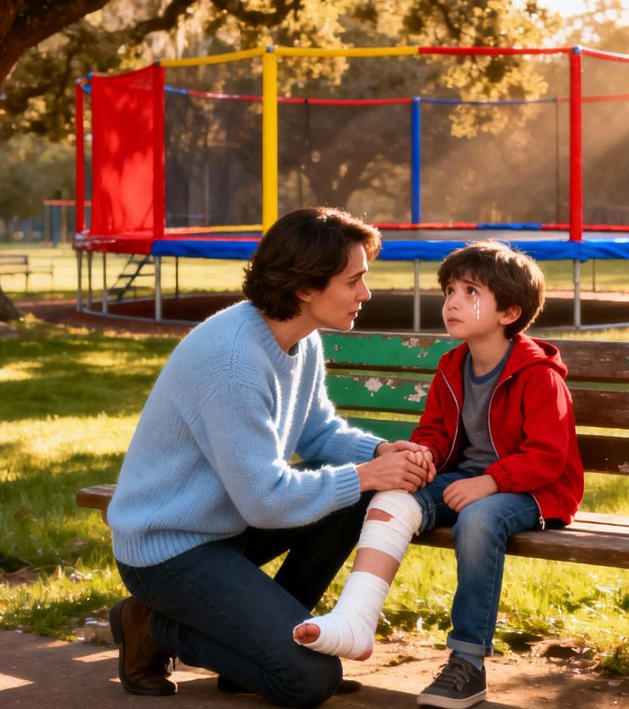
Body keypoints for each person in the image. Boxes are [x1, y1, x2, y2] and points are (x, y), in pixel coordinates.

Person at [106, 206, 435, 706]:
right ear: (305, 288)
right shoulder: (235, 360)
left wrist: (379, 452)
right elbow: (265, 501)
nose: (365, 294)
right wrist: (368, 473)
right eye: (354, 281)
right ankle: (153, 625)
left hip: (225, 527)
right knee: (307, 682)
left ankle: (257, 651)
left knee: (358, 494)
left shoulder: (298, 338)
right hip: (169, 549)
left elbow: (319, 431)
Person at [293, 240, 584, 709]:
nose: (452, 301)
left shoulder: (538, 374)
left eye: (470, 292)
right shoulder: (453, 365)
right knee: (394, 493)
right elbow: (435, 430)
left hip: (535, 491)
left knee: (480, 520)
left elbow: (548, 456)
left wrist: (490, 482)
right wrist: (422, 456)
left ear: (509, 311)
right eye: (449, 290)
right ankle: (356, 620)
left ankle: (467, 663)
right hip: (468, 481)